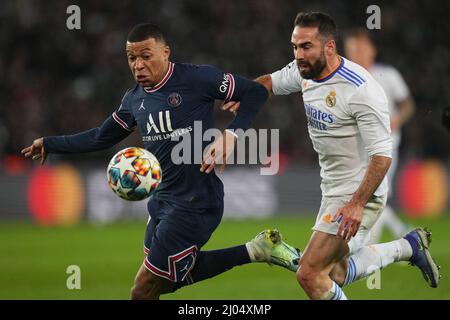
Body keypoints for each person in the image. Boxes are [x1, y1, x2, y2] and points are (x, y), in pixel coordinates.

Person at [21, 23, 301, 300]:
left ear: (165, 53)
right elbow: (100, 137)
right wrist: (50, 143)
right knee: (164, 283)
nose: (138, 65)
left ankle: (255, 251)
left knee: (141, 290)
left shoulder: (197, 79)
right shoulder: (133, 100)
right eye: (132, 58)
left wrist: (231, 135)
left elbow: (254, 92)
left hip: (196, 202)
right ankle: (256, 250)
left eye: (146, 56)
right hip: (161, 202)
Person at [223, 12, 440, 300]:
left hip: (358, 193)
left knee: (310, 274)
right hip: (333, 189)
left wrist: (356, 203)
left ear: (329, 47)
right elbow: (268, 83)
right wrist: (247, 94)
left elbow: (382, 155)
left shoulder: (361, 89)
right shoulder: (304, 72)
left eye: (306, 47)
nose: (299, 55)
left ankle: (406, 246)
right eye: (295, 46)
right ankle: (408, 247)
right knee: (335, 274)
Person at [344, 28, 415, 244]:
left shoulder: (388, 75)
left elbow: (407, 105)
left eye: (361, 47)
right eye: (352, 49)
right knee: (365, 195)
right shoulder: (345, 79)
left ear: (372, 50)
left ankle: (368, 247)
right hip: (358, 148)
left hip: (386, 147)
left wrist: (397, 120)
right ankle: (406, 235)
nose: (356, 53)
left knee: (373, 195)